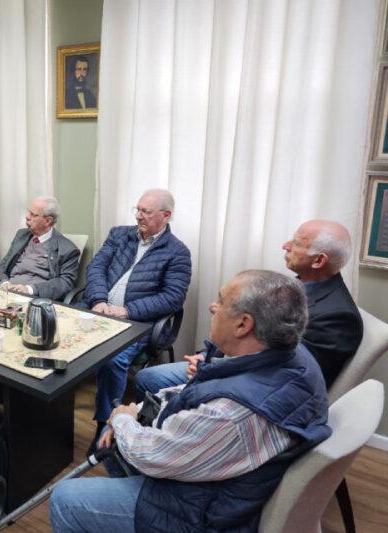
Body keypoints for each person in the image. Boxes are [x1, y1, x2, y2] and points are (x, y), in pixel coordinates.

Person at [49, 270, 331, 532]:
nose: (212, 307)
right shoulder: (290, 356)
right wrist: (133, 411)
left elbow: (153, 456)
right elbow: (192, 390)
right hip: (214, 476)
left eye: (221, 302)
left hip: (202, 509)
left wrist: (121, 419)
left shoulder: (233, 413)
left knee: (65, 497)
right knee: (115, 447)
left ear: (244, 324)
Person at [135, 219, 363, 398]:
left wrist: (212, 368)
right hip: (225, 364)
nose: (285, 246)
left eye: (296, 243)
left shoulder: (337, 317)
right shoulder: (298, 284)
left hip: (250, 386)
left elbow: (285, 374)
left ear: (318, 261)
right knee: (147, 377)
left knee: (148, 379)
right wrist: (207, 358)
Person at [84, 189, 191, 442]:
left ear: (166, 215)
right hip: (100, 311)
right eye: (138, 209)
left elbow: (173, 297)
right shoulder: (119, 235)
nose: (139, 216)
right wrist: (99, 300)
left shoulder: (178, 252)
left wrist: (128, 311)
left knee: (111, 361)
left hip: (137, 323)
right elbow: (96, 267)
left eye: (146, 211)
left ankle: (105, 424)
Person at [0, 196, 79, 301]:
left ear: (47, 221)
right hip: (7, 293)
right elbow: (4, 264)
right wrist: (4, 282)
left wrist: (30, 290)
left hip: (35, 299)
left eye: (33, 215)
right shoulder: (22, 235)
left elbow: (65, 283)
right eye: (28, 212)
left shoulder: (67, 249)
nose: (27, 217)